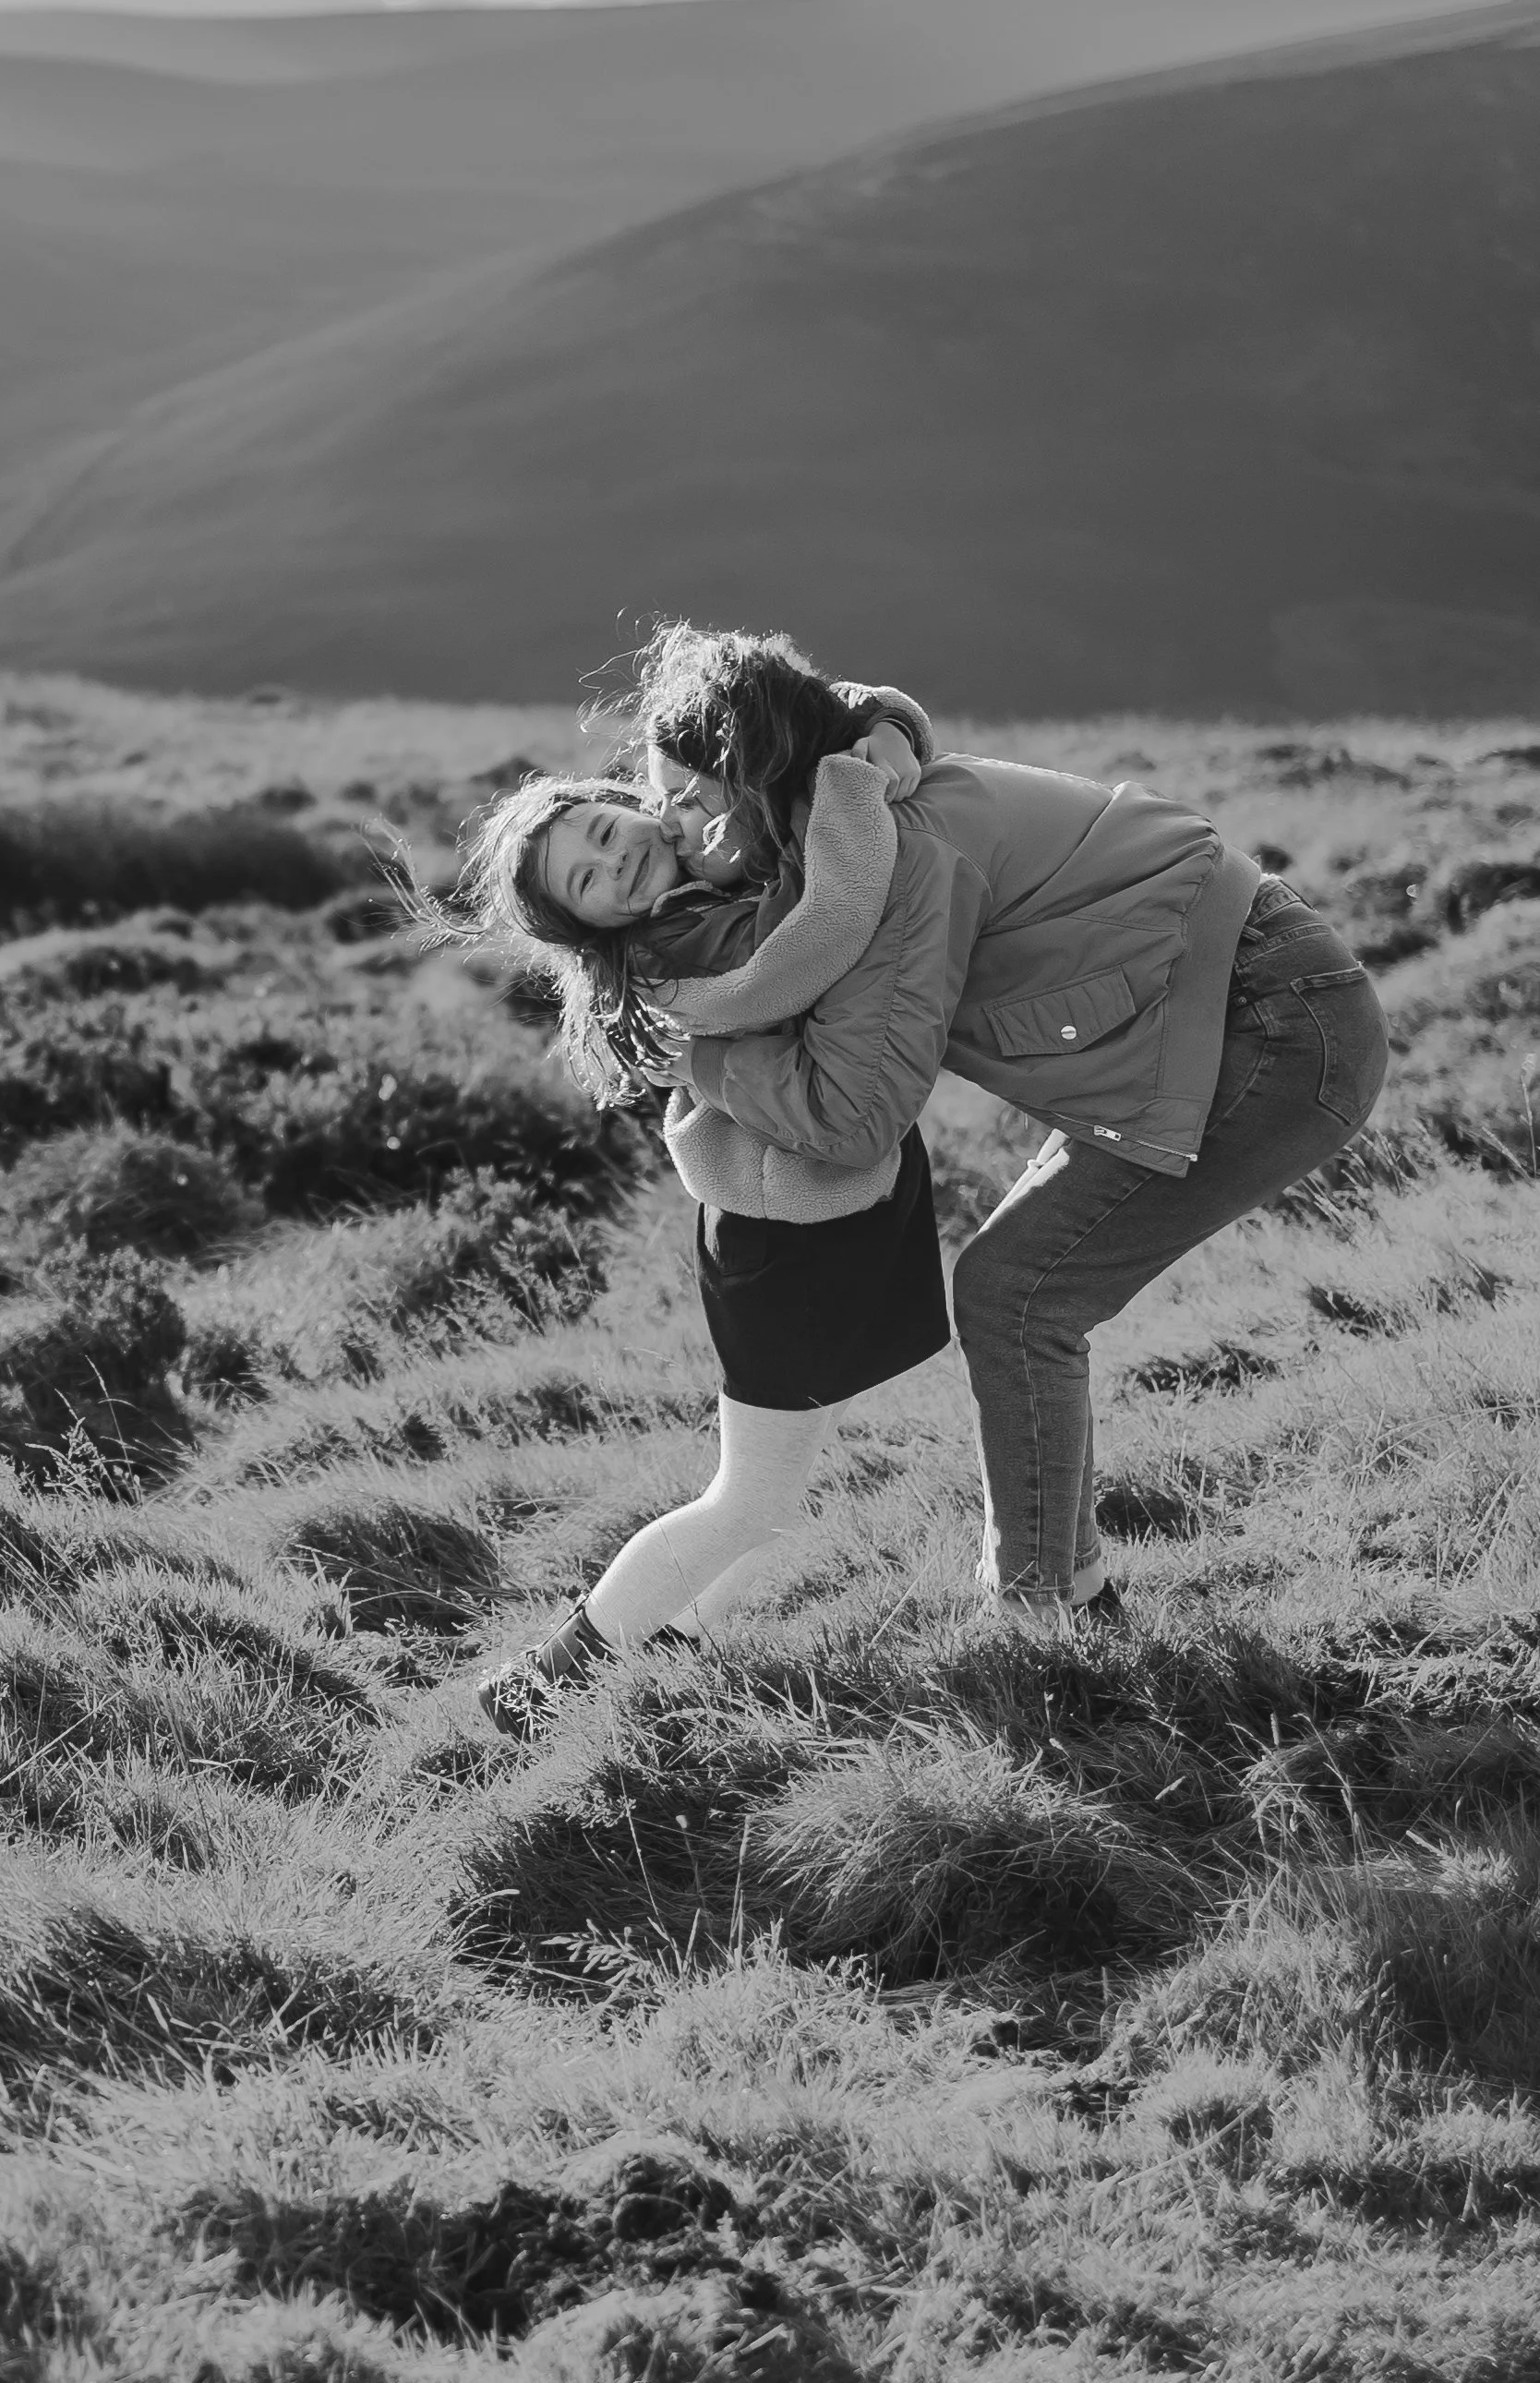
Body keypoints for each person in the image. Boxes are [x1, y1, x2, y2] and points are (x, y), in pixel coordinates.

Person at [618, 623, 1390, 1638]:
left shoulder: (885, 857)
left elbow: (855, 1117)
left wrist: (688, 1054)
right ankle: (1069, 1601)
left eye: (692, 801)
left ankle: (1042, 1622)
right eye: (658, 794)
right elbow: (833, 715)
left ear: (757, 779)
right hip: (1212, 1016)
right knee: (1015, 1293)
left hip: (1272, 1030)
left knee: (1019, 1295)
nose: (667, 826)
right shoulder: (840, 795)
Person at [433, 670, 956, 1739]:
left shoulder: (701, 854)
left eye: (596, 825)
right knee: (752, 1497)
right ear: (584, 925)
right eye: (585, 876)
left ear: (618, 797)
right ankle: (544, 1681)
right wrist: (851, 788)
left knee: (777, 1489)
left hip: (819, 1213)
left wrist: (883, 727)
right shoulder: (676, 948)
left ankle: (676, 1650)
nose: (612, 851)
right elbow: (822, 930)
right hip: (781, 1237)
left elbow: (816, 698)